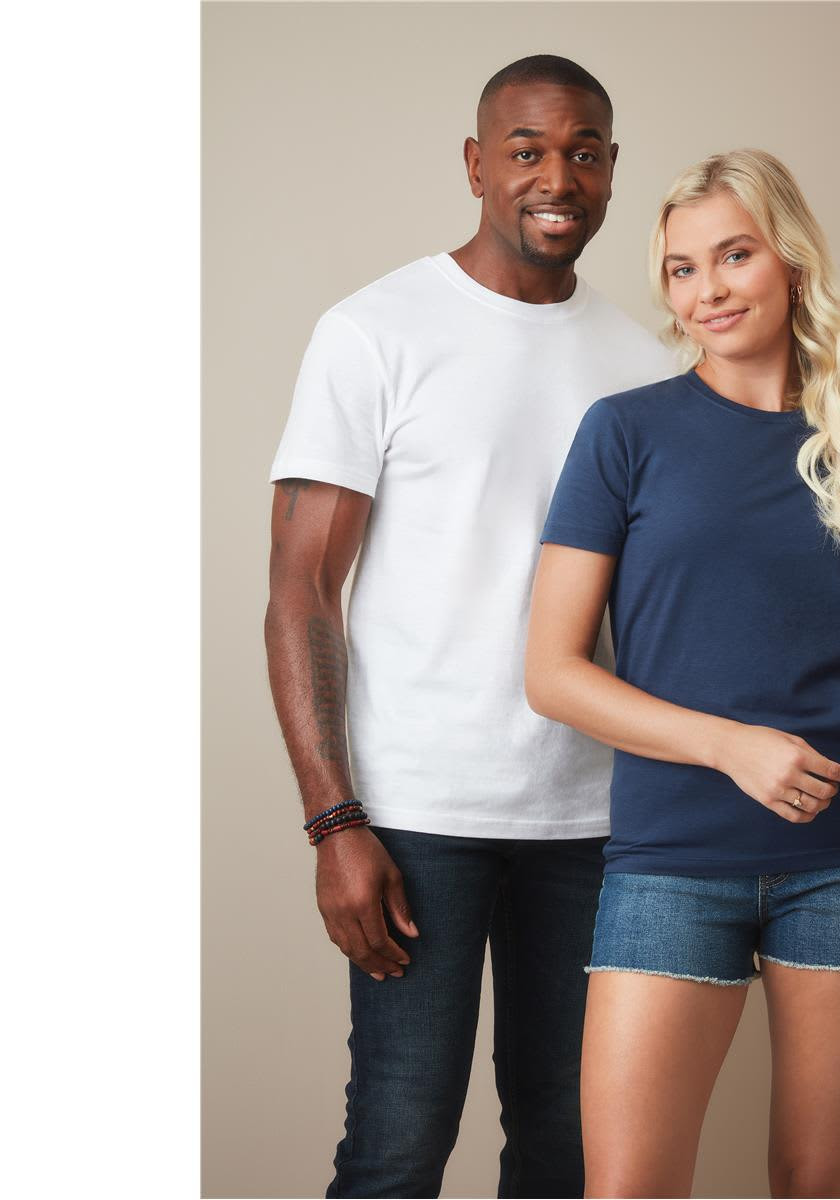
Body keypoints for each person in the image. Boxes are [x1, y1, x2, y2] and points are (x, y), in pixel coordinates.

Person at [263, 55, 676, 1199]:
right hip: (416, 821)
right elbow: (300, 589)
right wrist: (332, 819)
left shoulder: (645, 367)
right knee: (396, 1152)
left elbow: (661, 609)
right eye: (529, 149)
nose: (559, 176)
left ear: (609, 171)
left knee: (567, 1148)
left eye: (586, 151)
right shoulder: (374, 331)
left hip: (597, 823)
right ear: (476, 164)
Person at [525, 148, 840, 1199]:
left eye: (734, 255)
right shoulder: (625, 435)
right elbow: (553, 673)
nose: (706, 290)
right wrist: (729, 746)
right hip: (671, 856)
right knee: (628, 1188)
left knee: (817, 1182)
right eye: (679, 269)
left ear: (792, 262)